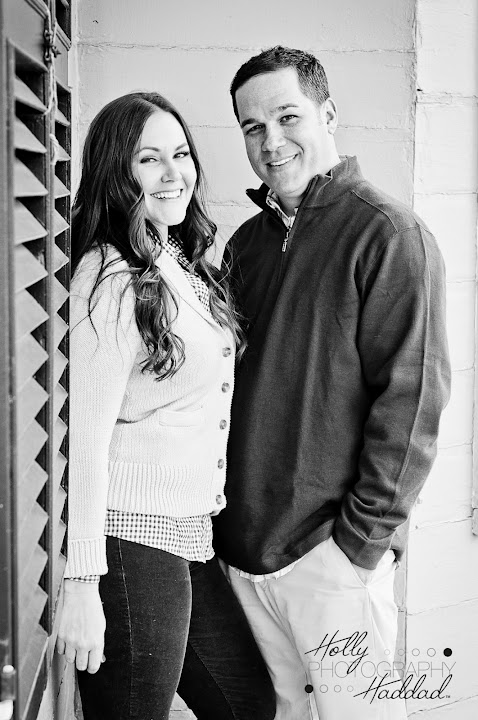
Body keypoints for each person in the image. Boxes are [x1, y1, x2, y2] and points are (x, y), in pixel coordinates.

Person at [213, 46, 451, 720]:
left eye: (287, 116)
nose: (271, 142)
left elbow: (412, 403)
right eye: (253, 127)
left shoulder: (390, 235)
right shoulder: (245, 246)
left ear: (329, 114)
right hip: (244, 557)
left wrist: (357, 549)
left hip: (330, 559)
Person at [56, 92, 276, 720]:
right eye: (149, 159)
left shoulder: (170, 256)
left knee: (247, 705)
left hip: (185, 532)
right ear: (116, 173)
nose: (173, 172)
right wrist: (82, 583)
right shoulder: (109, 277)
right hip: (128, 536)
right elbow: (85, 436)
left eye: (180, 154)